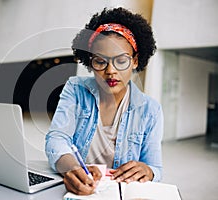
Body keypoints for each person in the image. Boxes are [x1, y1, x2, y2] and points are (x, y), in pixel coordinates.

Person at [45, 7, 163, 195]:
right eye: (100, 61)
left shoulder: (150, 110)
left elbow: (155, 168)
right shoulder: (76, 90)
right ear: (90, 62)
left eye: (121, 61)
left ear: (134, 61)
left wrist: (148, 171)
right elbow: (57, 138)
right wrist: (71, 168)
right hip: (80, 192)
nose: (110, 71)